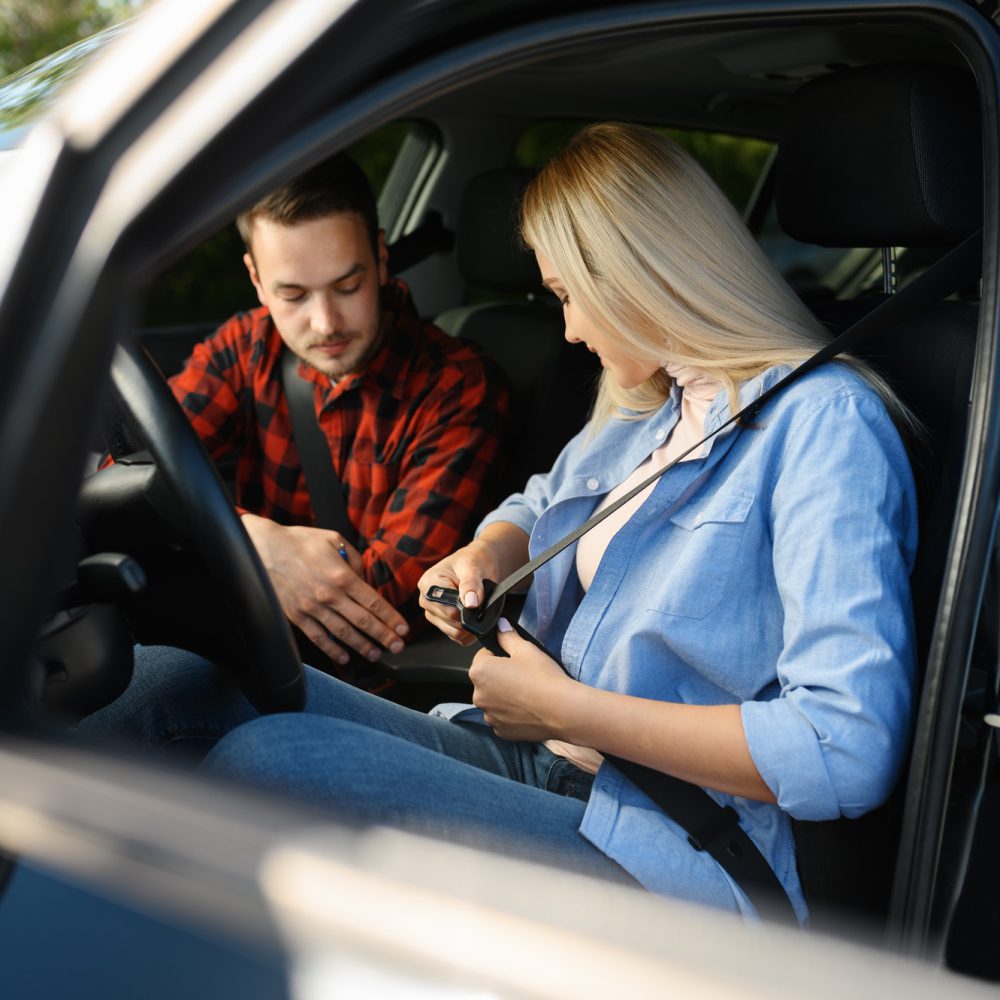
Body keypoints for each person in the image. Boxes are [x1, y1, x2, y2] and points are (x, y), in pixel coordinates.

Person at [94, 124, 918, 921]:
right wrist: (486, 553)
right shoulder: (646, 405)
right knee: (164, 680)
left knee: (264, 763)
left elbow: (844, 747)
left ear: (637, 274)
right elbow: (534, 504)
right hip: (548, 758)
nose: (569, 329)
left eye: (569, 296)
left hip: (677, 842)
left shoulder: (823, 422)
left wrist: (567, 711)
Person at [135, 153, 510, 684]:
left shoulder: (459, 385)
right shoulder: (245, 346)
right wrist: (253, 542)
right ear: (257, 280)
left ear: (380, 258)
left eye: (348, 286)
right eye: (292, 295)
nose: (325, 321)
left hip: (363, 686)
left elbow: (375, 601)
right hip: (242, 651)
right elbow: (131, 468)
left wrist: (213, 543)